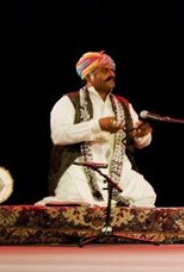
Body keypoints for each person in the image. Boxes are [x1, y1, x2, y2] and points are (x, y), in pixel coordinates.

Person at [37, 51, 156, 207]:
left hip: (119, 170)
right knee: (80, 200)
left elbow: (140, 142)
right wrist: (97, 125)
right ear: (88, 75)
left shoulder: (124, 105)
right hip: (80, 168)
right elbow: (59, 135)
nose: (111, 74)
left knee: (145, 195)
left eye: (112, 70)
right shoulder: (68, 101)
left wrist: (142, 135)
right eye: (105, 70)